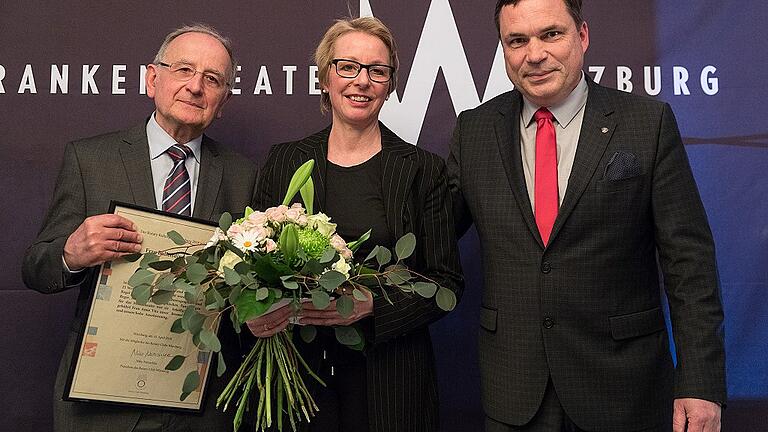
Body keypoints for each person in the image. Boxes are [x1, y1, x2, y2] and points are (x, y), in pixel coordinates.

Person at [447, 0, 726, 431]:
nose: (534, 54)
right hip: (515, 392)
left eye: (551, 34)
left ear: (583, 36)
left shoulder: (646, 122)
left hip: (624, 389)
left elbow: (689, 263)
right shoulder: (474, 130)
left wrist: (700, 382)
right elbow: (433, 235)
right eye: (517, 40)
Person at [22, 24, 258, 432]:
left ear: (223, 102)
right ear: (153, 79)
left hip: (199, 402)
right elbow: (36, 269)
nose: (196, 87)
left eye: (212, 79)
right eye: (183, 70)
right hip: (102, 403)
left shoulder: (244, 176)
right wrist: (70, 254)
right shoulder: (90, 159)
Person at [247, 16, 463, 432]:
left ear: (389, 84)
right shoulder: (283, 160)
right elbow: (252, 262)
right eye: (348, 67)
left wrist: (372, 306)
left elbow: (445, 283)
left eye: (377, 71)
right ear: (325, 78)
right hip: (297, 378)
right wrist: (256, 310)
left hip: (392, 382)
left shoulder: (422, 170)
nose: (361, 81)